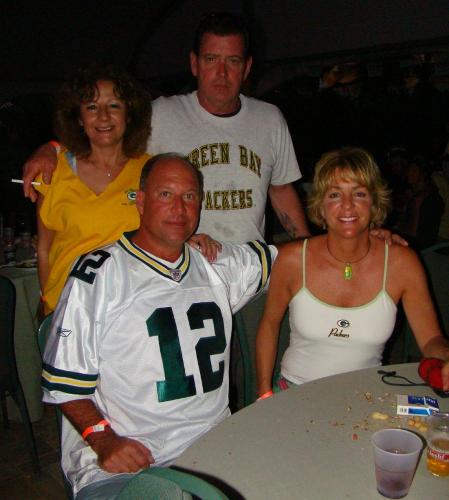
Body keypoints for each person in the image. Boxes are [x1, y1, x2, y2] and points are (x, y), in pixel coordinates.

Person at [41, 153, 277, 499]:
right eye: (166, 194)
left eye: (189, 196)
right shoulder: (99, 274)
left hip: (214, 449)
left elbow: (291, 260)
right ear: (140, 201)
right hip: (126, 463)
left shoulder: (214, 263)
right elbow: (63, 381)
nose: (179, 209)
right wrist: (102, 438)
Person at [23, 12, 310, 243]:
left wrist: (307, 252)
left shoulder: (270, 118)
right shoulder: (161, 114)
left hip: (250, 273)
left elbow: (282, 190)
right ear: (194, 64)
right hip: (181, 274)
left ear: (246, 68)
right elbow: (104, 135)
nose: (221, 72)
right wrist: (52, 148)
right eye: (211, 59)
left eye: (232, 61)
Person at [256, 147, 449, 398]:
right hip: (295, 391)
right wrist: (264, 391)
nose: (347, 205)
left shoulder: (402, 263)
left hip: (368, 397)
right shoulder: (293, 259)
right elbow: (269, 325)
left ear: (374, 203)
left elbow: (431, 339)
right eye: (335, 194)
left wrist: (446, 356)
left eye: (359, 193)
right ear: (321, 206)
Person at [35, 65, 152, 313]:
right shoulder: (52, 170)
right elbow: (44, 249)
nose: (103, 116)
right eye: (91, 107)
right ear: (79, 118)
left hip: (131, 310)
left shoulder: (151, 171)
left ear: (129, 115)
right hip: (69, 309)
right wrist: (48, 306)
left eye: (114, 105)